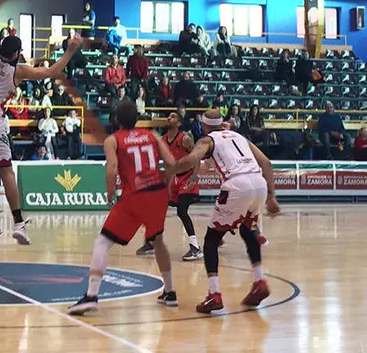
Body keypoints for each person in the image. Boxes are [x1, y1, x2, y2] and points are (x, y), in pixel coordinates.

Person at [0, 0, 81, 245]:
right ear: (17, 54)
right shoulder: (18, 71)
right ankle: (18, 223)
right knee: (6, 171)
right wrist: (70, 51)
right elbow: (51, 72)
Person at [68, 101, 178, 315]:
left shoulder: (113, 140)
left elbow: (112, 169)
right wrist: (167, 182)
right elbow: (171, 163)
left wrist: (109, 194)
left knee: (103, 241)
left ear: (116, 119)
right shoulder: (152, 135)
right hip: (157, 194)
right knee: (157, 240)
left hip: (135, 195)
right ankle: (170, 291)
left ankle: (91, 295)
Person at [170, 109, 281, 314]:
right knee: (248, 230)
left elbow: (192, 159)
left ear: (204, 125)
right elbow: (266, 162)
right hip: (259, 184)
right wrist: (272, 196)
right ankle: (260, 281)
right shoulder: (239, 137)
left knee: (211, 240)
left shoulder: (207, 140)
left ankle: (214, 295)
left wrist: (170, 170)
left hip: (237, 185)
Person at [136, 112, 202, 260]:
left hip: (187, 177)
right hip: (172, 179)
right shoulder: (163, 140)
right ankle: (150, 242)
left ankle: (195, 247)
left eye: (173, 117)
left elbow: (196, 158)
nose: (169, 118)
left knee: (182, 210)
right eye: (168, 116)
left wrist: (194, 176)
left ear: (178, 123)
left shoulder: (184, 139)